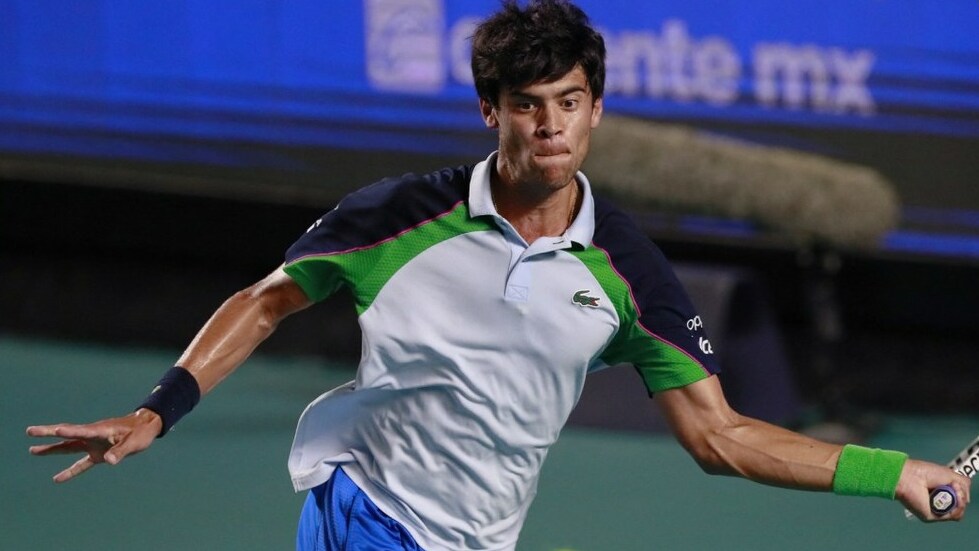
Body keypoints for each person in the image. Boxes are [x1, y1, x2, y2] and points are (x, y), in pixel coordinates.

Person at [27, 1, 970, 549]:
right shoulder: (398, 215)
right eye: (527, 105)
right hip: (367, 508)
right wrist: (157, 410)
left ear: (596, 109)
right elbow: (265, 300)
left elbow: (717, 436)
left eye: (569, 101)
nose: (550, 126)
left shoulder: (630, 272)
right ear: (491, 111)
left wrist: (887, 472)